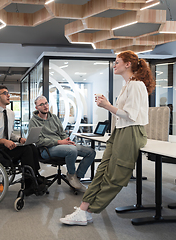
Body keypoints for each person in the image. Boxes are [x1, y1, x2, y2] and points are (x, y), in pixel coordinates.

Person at [60, 50, 156, 225]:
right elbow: (124, 114)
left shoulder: (136, 85)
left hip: (131, 132)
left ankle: (88, 210)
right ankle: (83, 210)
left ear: (128, 64)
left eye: (117, 61)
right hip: (120, 131)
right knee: (101, 172)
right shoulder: (127, 85)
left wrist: (108, 106)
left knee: (115, 177)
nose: (114, 64)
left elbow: (131, 115)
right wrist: (108, 106)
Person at [0, 85, 46, 195]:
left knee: (31, 147)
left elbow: (9, 134)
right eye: (5, 93)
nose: (9, 95)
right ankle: (29, 184)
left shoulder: (10, 113)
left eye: (8, 93)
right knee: (26, 151)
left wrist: (19, 139)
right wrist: (2, 141)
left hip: (6, 147)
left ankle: (35, 175)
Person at [29, 96, 96, 190]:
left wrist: (67, 140)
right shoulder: (33, 121)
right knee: (71, 150)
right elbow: (38, 141)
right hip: (46, 149)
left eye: (46, 103)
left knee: (91, 152)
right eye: (41, 104)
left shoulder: (54, 118)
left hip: (61, 145)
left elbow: (62, 133)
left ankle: (77, 177)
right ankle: (71, 175)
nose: (45, 106)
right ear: (37, 108)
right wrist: (59, 142)